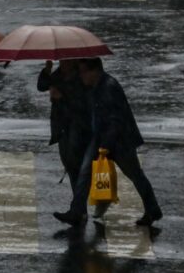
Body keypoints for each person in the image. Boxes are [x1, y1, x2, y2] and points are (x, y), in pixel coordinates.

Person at [53, 58, 162, 227]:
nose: (80, 76)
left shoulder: (108, 87)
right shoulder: (94, 87)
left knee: (135, 174)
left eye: (83, 72)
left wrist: (106, 145)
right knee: (85, 173)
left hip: (120, 141)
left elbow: (116, 120)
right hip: (100, 139)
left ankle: (152, 209)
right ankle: (76, 211)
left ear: (94, 71)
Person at [37, 59, 91, 194]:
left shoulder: (81, 78)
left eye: (67, 61)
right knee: (69, 163)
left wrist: (61, 97)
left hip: (77, 127)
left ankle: (79, 205)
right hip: (61, 127)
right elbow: (42, 85)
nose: (64, 63)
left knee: (75, 164)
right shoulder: (57, 75)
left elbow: (81, 106)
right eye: (62, 60)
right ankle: (78, 205)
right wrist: (47, 70)